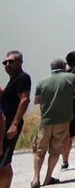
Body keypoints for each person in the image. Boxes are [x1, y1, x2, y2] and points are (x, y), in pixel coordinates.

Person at [32, 58, 75, 188]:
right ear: (64, 66)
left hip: (46, 121)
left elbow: (37, 101)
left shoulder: (42, 82)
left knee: (39, 151)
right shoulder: (71, 77)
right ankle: (48, 177)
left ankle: (36, 179)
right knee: (55, 151)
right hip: (62, 120)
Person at [1, 51, 31, 188]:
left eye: (11, 61)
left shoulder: (23, 78)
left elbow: (24, 100)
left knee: (4, 160)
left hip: (10, 125)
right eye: (5, 62)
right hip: (5, 125)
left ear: (20, 62)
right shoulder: (13, 80)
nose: (7, 64)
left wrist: (14, 124)